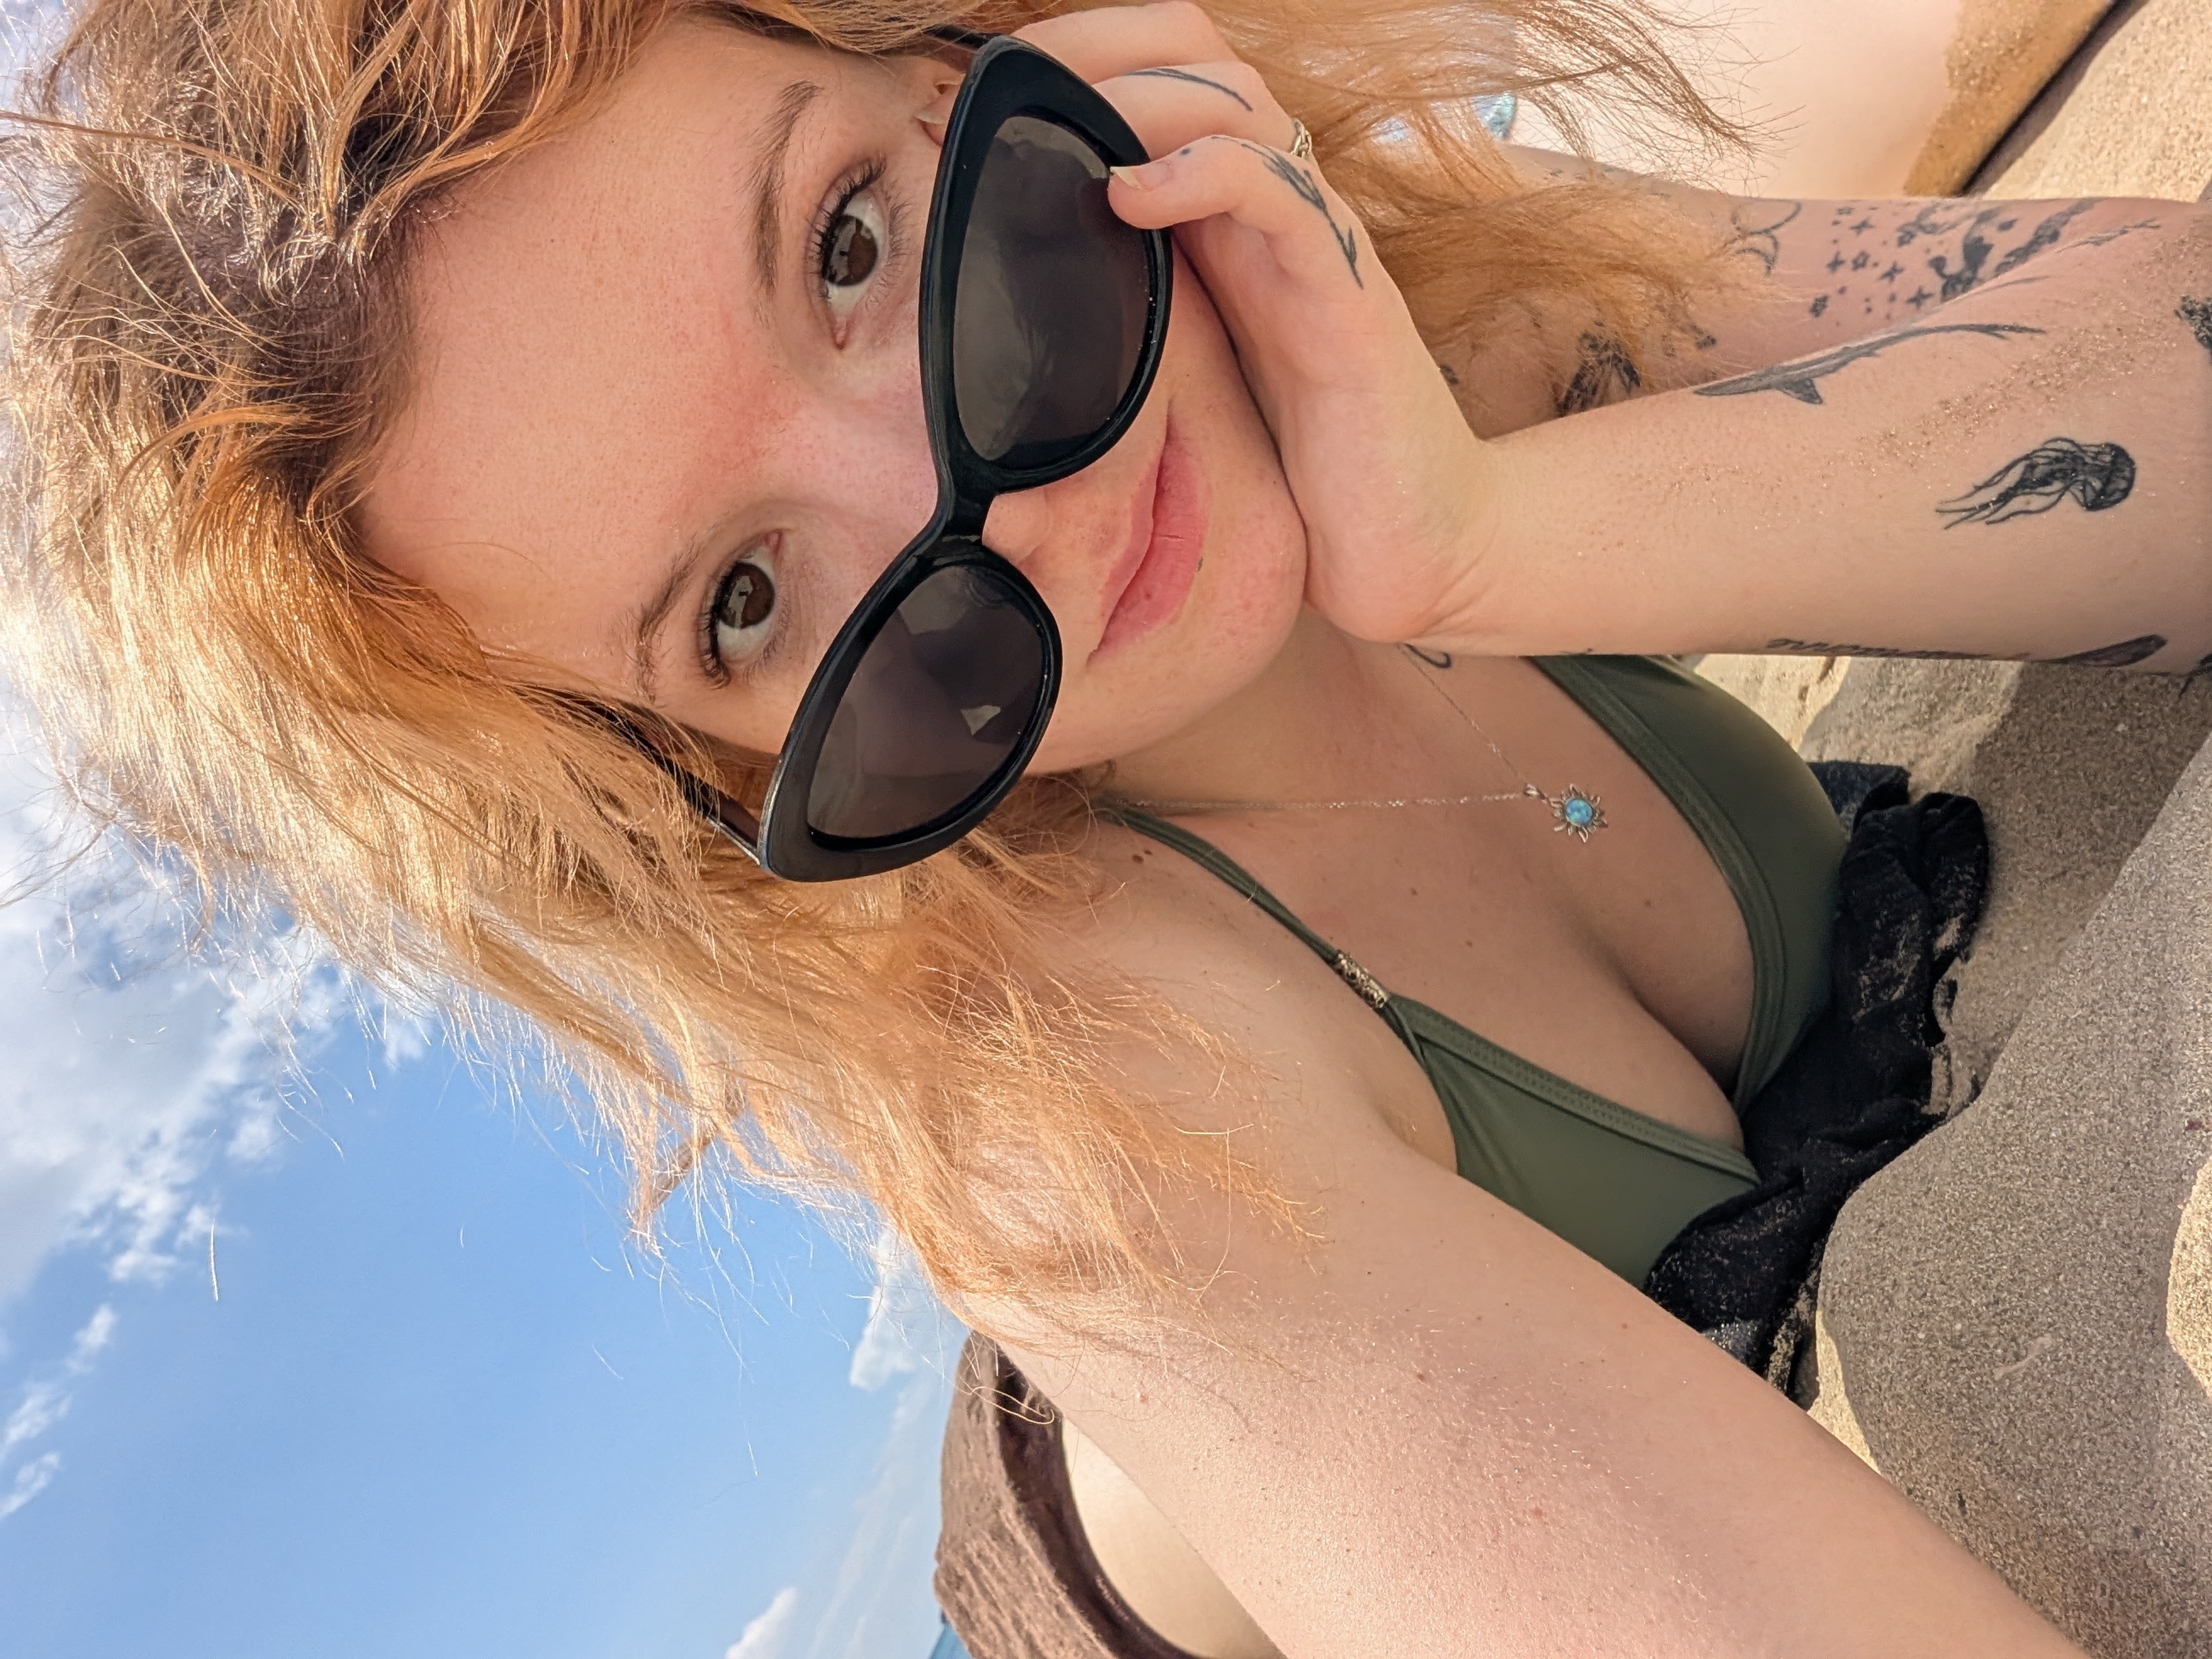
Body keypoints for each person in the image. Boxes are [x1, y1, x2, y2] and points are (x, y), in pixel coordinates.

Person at [5, 0, 2204, 1653]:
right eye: (746, 598)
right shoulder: (1093, 1122)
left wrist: (1484, 538)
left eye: (850, 241)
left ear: (968, 52)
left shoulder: (1418, 317)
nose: (980, 500)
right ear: (700, 779)